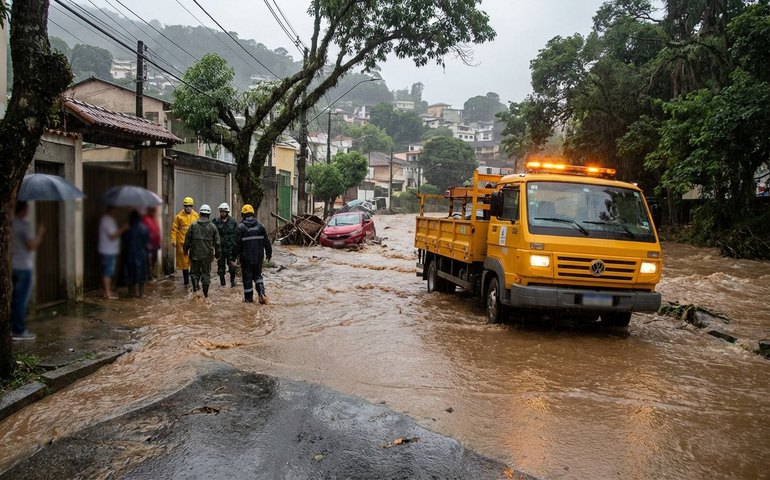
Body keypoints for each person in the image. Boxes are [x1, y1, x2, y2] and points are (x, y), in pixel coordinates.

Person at [11, 201, 45, 341]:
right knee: (21, 300)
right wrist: (40, 233)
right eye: (27, 209)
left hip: (13, 266)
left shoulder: (10, 224)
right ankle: (19, 331)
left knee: (14, 298)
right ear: (23, 210)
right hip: (24, 267)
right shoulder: (25, 225)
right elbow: (32, 246)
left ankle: (13, 327)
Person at [235, 204, 272, 304]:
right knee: (258, 276)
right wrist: (269, 253)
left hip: (246, 259)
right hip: (258, 258)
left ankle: (249, 300)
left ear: (243, 214)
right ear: (252, 213)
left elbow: (236, 245)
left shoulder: (240, 228)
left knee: (247, 279)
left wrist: (232, 257)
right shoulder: (261, 226)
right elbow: (267, 242)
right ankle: (262, 293)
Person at [183, 204, 221, 298]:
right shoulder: (213, 226)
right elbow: (217, 242)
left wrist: (185, 250)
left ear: (200, 213)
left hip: (195, 254)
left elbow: (187, 240)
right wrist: (218, 254)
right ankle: (205, 295)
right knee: (206, 275)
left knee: (194, 273)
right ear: (209, 214)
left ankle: (196, 290)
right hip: (207, 256)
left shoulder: (193, 225)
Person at [99, 205, 128, 299]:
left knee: (109, 271)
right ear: (111, 209)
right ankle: (107, 293)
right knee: (107, 271)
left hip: (111, 249)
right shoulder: (107, 220)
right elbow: (112, 235)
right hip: (108, 250)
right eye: (116, 209)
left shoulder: (110, 220)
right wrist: (123, 228)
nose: (118, 211)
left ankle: (108, 291)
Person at [170, 196, 198, 290]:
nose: (188, 207)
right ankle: (186, 281)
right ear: (184, 206)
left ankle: (193, 279)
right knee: (184, 263)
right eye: (186, 206)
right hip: (182, 243)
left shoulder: (196, 216)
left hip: (193, 243)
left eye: (190, 206)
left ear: (192, 206)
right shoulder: (178, 216)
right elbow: (174, 229)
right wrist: (173, 240)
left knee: (193, 262)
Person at [122, 210, 150, 298]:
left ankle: (131, 293)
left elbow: (124, 242)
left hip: (129, 254)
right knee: (141, 274)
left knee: (131, 274)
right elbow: (146, 242)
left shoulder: (127, 229)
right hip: (141, 254)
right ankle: (141, 293)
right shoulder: (144, 228)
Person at [213, 202, 238, 287]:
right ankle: (222, 282)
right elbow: (213, 235)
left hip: (231, 249)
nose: (222, 213)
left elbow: (237, 235)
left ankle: (232, 281)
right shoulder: (216, 221)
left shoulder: (233, 222)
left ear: (227, 212)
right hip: (220, 249)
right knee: (220, 267)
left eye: (224, 211)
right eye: (221, 211)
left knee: (232, 267)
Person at [142, 205, 161, 281]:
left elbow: (157, 231)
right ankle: (148, 276)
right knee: (148, 261)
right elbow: (144, 232)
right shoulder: (145, 219)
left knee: (154, 259)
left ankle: (149, 274)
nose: (154, 212)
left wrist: (158, 242)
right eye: (153, 211)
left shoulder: (154, 219)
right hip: (148, 244)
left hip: (155, 244)